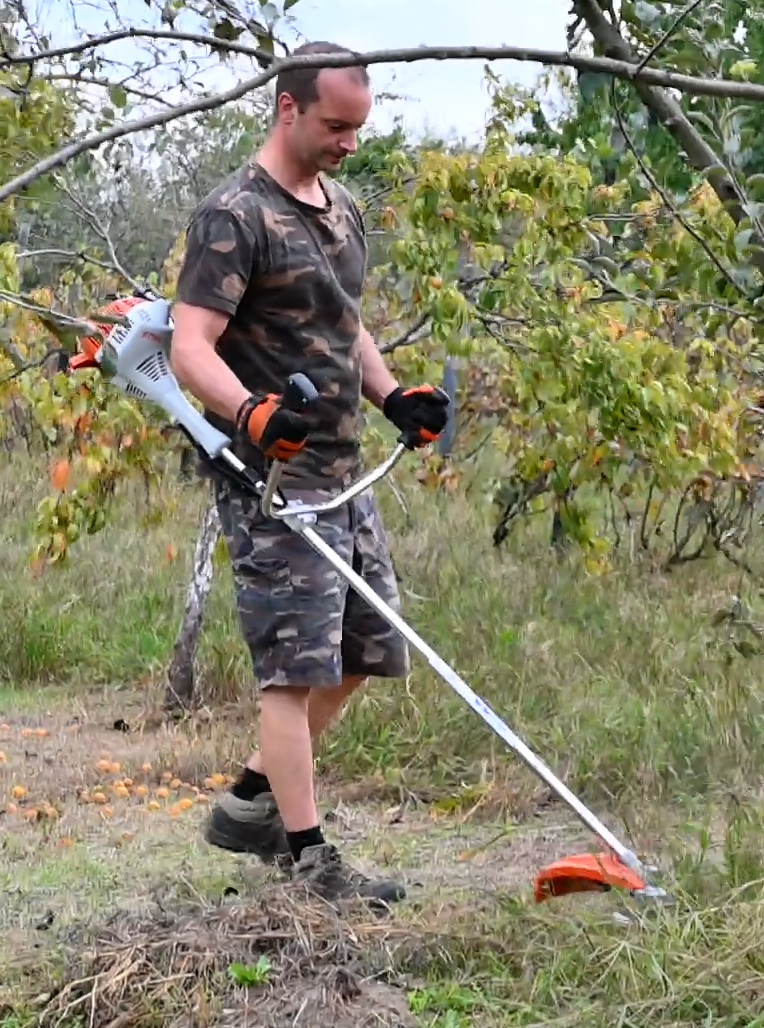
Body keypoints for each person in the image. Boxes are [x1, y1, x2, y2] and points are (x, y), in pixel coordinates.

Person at [166, 41, 452, 904]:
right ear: (288, 109)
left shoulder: (343, 208)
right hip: (273, 485)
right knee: (292, 676)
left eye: (359, 127)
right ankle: (309, 858)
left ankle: (251, 797)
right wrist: (251, 411)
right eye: (335, 126)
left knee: (367, 650)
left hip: (346, 473)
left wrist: (394, 394)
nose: (349, 143)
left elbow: (345, 323)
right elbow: (190, 349)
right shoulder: (233, 215)